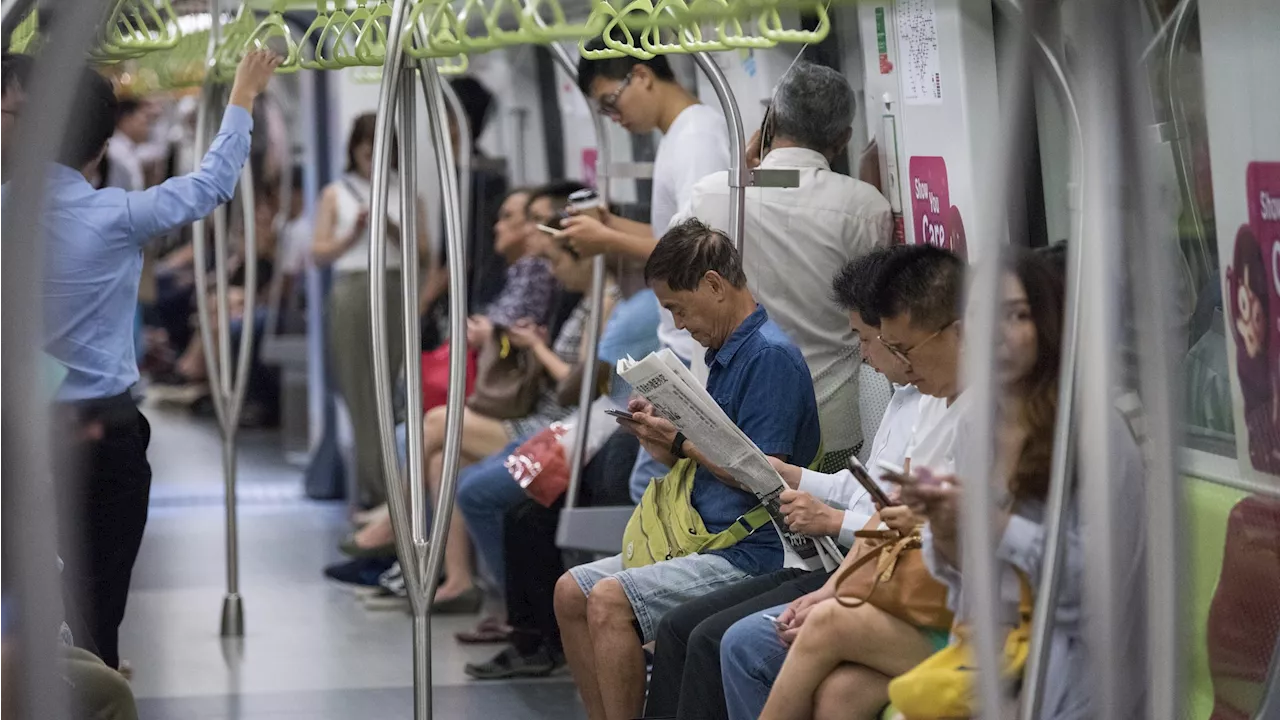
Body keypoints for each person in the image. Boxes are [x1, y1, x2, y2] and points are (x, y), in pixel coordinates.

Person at [24, 51, 280, 671]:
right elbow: (212, 185)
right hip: (103, 425)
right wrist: (241, 95)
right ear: (102, 143)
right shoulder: (118, 214)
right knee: (101, 583)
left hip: (23, 424)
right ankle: (97, 667)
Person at [642, 246, 924, 720]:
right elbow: (866, 495)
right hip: (860, 560)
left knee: (732, 641)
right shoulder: (905, 397)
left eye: (867, 339)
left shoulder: (771, 357)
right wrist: (792, 477)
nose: (865, 355)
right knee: (679, 627)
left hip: (876, 568)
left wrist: (833, 524)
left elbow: (901, 526)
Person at [554, 219, 821, 720]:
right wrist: (664, 440)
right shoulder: (723, 354)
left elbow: (763, 476)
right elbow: (712, 455)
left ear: (714, 285)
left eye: (679, 308)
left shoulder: (769, 359)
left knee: (609, 600)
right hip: (705, 532)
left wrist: (681, 441)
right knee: (571, 592)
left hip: (750, 549)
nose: (679, 325)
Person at [717, 245, 967, 720]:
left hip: (955, 609)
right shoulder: (930, 399)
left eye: (897, 347)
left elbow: (904, 525)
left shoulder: (968, 408)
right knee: (840, 694)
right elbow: (888, 513)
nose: (894, 362)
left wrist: (837, 567)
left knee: (791, 633)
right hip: (925, 588)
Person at [345, 182, 571, 608]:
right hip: (536, 408)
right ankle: (457, 580)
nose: (501, 227)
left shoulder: (542, 274)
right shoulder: (538, 274)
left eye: (515, 218)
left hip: (551, 420)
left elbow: (562, 372)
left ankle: (399, 525)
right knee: (435, 459)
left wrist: (507, 336)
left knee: (433, 426)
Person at [452, 206, 661, 647]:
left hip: (593, 426)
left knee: (488, 492)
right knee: (472, 477)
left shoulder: (624, 310)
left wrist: (535, 348)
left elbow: (578, 385)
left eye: (558, 259)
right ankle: (521, 615)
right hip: (586, 423)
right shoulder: (602, 304)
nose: (551, 270)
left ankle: (528, 623)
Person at [674, 62, 892, 471]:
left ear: (770, 121)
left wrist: (742, 168)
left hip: (728, 420)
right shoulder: (865, 208)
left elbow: (668, 269)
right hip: (828, 427)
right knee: (818, 524)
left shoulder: (713, 194)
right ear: (843, 139)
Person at [564, 38, 732, 502]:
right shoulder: (680, 135)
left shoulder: (697, 137)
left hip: (689, 346)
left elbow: (697, 251)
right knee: (653, 483)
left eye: (611, 103)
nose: (614, 117)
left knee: (649, 483)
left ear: (641, 75)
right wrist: (610, 223)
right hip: (678, 341)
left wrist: (607, 240)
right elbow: (672, 231)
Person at [310, 112, 429, 509]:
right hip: (354, 287)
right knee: (360, 390)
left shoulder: (406, 191)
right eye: (364, 144)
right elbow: (319, 253)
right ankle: (376, 489)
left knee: (396, 386)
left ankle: (399, 486)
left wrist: (391, 227)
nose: (370, 152)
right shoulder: (336, 193)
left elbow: (424, 251)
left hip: (395, 288)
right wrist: (354, 233)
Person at [104, 98, 165, 192]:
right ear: (127, 120)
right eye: (145, 120)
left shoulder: (129, 150)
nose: (147, 128)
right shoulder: (115, 152)